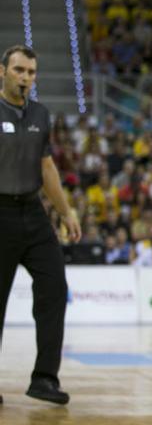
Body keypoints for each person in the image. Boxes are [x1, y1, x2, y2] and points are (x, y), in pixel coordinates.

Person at [0, 45, 82, 405]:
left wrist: (67, 212)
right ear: (2, 71)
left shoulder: (40, 114)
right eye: (19, 70)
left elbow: (47, 168)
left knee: (54, 287)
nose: (25, 78)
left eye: (31, 72)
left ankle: (45, 378)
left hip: (32, 213)